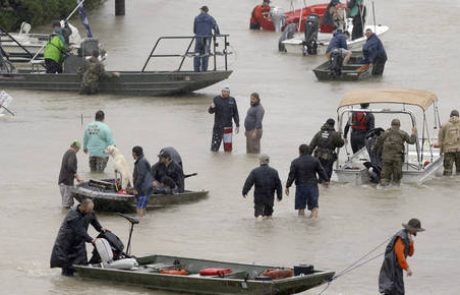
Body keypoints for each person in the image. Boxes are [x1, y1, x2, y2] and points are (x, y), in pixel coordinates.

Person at [50, 198, 108, 276]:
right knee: (68, 267)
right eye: (89, 210)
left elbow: (93, 220)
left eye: (91, 210)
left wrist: (101, 229)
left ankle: (79, 282)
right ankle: (66, 283)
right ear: (83, 207)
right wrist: (91, 240)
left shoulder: (89, 212)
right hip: (67, 244)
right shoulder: (73, 215)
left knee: (82, 263)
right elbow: (80, 231)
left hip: (79, 242)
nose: (91, 211)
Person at [379, 218, 425, 295]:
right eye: (416, 230)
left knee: (395, 290)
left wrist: (411, 244)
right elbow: (400, 256)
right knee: (395, 290)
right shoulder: (401, 237)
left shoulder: (408, 236)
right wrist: (407, 268)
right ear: (412, 229)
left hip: (397, 268)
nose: (417, 231)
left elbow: (410, 254)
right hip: (392, 267)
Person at [286, 144, 328, 218]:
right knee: (314, 208)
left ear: (299, 151)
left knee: (301, 208)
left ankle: (302, 226)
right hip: (312, 186)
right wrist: (326, 180)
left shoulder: (295, 162)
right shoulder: (315, 160)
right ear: (309, 151)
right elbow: (321, 171)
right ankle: (314, 223)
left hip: (300, 187)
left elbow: (291, 176)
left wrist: (287, 186)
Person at [373, 119, 417, 186]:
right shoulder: (403, 133)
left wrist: (373, 151)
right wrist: (413, 133)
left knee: (384, 178)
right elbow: (411, 141)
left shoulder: (385, 133)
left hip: (386, 158)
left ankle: (383, 191)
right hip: (397, 159)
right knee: (396, 180)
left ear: (391, 125)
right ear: (399, 125)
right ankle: (395, 192)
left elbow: (377, 144)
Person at [242, 154, 282, 220]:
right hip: (269, 196)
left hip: (259, 197)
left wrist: (245, 191)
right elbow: (278, 185)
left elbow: (248, 182)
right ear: (268, 161)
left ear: (260, 161)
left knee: (259, 214)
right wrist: (279, 196)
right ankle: (268, 228)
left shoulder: (255, 171)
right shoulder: (274, 172)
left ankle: (259, 228)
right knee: (269, 215)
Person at [208, 86, 240, 152]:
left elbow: (235, 113)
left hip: (228, 127)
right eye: (224, 91)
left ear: (229, 93)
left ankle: (227, 161)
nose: (226, 93)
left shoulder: (232, 100)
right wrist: (211, 107)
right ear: (222, 92)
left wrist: (237, 124)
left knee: (228, 149)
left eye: (227, 92)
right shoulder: (216, 99)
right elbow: (210, 112)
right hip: (218, 127)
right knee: (214, 148)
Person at [193, 6, 220, 72]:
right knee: (205, 53)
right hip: (206, 39)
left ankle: (196, 70)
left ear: (202, 10)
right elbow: (216, 27)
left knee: (197, 53)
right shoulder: (210, 18)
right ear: (207, 11)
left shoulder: (196, 18)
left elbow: (194, 30)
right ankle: (204, 70)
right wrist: (217, 33)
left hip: (198, 38)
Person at [58, 141, 82, 209]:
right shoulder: (72, 153)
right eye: (78, 149)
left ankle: (63, 216)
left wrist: (75, 176)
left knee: (65, 202)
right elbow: (70, 165)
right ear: (77, 148)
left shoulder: (67, 152)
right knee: (67, 204)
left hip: (62, 181)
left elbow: (68, 167)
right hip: (67, 182)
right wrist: (76, 175)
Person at [436, 110, 460, 176]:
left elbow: (440, 140)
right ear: (458, 116)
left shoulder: (444, 125)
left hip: (448, 150)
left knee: (447, 172)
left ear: (450, 116)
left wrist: (441, 152)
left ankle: (447, 184)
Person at [132, 146, 153, 217]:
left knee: (139, 207)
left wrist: (135, 188)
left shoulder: (141, 162)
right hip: (144, 188)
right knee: (142, 206)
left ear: (134, 153)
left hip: (143, 189)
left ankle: (141, 223)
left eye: (132, 153)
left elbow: (141, 176)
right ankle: (143, 224)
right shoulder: (142, 160)